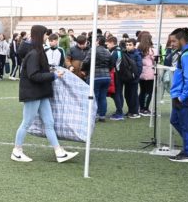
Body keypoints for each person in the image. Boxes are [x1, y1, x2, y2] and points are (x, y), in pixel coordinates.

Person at [11, 25, 77, 164]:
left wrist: (52, 72)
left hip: (40, 92)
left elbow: (38, 72)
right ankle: (17, 151)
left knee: (49, 123)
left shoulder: (37, 51)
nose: (47, 37)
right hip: (33, 92)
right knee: (26, 123)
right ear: (40, 35)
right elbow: (33, 75)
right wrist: (53, 75)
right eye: (45, 34)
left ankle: (59, 152)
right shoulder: (34, 53)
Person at [167, 29, 188, 163]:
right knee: (174, 120)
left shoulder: (187, 55)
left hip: (184, 97)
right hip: (181, 95)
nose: (172, 44)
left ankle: (187, 153)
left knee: (185, 125)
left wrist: (181, 97)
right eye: (171, 41)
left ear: (182, 40)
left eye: (174, 41)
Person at [113, 38, 142, 119]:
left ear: (134, 45)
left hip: (133, 80)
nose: (128, 47)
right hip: (127, 79)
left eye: (130, 45)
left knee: (133, 96)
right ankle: (130, 111)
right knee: (127, 95)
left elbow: (139, 68)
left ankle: (135, 112)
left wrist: (135, 77)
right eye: (127, 45)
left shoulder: (137, 55)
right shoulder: (124, 53)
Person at [87, 35, 112, 121]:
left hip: (95, 76)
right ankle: (102, 116)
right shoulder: (107, 51)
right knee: (103, 96)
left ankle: (95, 115)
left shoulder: (92, 50)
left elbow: (86, 61)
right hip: (106, 76)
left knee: (95, 96)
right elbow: (111, 63)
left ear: (97, 41)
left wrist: (83, 70)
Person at [136, 32, 157, 116]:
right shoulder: (151, 50)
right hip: (149, 73)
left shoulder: (138, 49)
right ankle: (145, 108)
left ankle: (141, 107)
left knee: (142, 91)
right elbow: (155, 59)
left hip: (141, 72)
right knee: (149, 91)